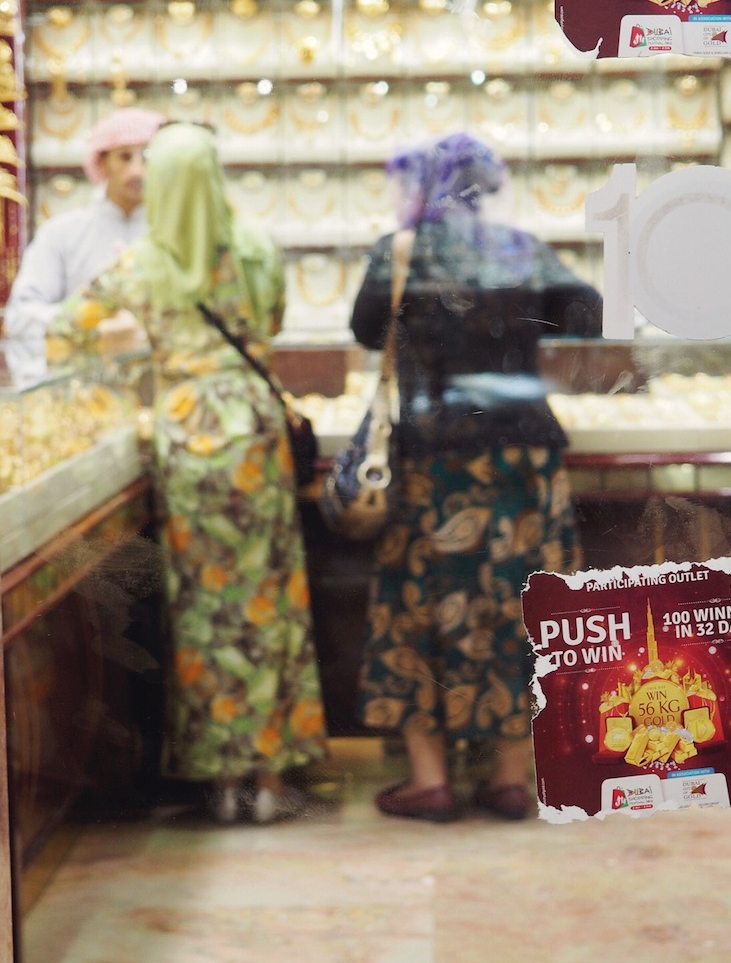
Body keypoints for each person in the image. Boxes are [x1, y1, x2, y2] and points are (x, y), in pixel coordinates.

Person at [48, 123, 327, 823]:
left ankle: (219, 782)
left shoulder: (143, 262)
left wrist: (141, 354)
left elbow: (64, 332)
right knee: (270, 604)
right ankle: (270, 776)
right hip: (254, 431)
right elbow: (275, 319)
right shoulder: (257, 245)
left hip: (187, 433)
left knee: (205, 611)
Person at [350, 132, 603, 822]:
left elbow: (366, 331)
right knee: (522, 612)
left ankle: (430, 778)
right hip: (525, 459)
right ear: (490, 187)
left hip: (436, 462)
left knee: (417, 611)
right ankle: (508, 777)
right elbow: (589, 313)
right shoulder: (521, 248)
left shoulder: (398, 252)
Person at [3, 106, 165, 383]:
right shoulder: (62, 233)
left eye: (147, 158)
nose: (137, 171)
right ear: (102, 163)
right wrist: (91, 327)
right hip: (81, 389)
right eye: (125, 157)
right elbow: (20, 317)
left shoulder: (174, 233)